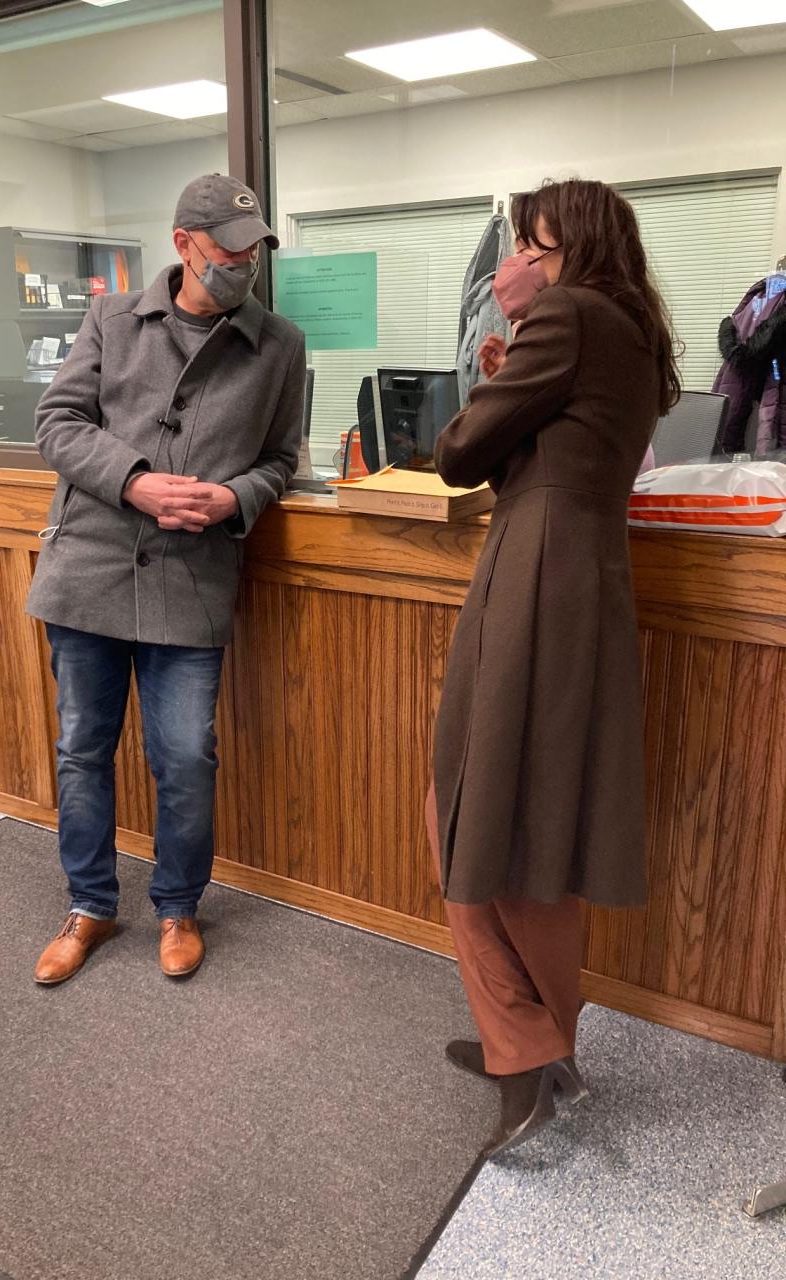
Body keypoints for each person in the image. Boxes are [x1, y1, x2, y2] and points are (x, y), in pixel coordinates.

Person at [426, 178, 680, 1161]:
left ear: (574, 248)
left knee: (469, 807)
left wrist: (509, 346)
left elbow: (456, 454)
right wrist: (511, 371)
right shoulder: (632, 329)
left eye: (535, 244)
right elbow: (543, 456)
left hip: (532, 580)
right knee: (543, 817)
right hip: (588, 578)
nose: (518, 261)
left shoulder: (565, 314)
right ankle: (540, 1042)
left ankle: (523, 1055)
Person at [26, 174, 306, 984]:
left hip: (192, 578)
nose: (243, 265)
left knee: (186, 755)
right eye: (228, 250)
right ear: (183, 244)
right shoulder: (112, 319)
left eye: (254, 251)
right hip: (90, 569)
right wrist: (135, 480)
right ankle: (90, 905)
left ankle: (179, 906)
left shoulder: (280, 345)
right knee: (82, 747)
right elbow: (57, 422)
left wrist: (235, 496)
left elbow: (283, 459)